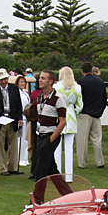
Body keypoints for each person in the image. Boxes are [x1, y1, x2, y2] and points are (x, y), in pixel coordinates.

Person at [30, 69, 68, 203]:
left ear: (50, 81)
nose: (40, 80)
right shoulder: (40, 97)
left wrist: (51, 139)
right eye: (40, 78)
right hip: (40, 136)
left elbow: (63, 122)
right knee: (51, 169)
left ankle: (37, 201)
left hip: (50, 137)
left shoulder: (58, 98)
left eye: (43, 78)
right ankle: (68, 195)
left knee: (40, 171)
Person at [53, 66, 82, 181]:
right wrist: (74, 112)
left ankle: (58, 174)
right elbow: (80, 105)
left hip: (59, 117)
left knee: (57, 147)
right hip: (71, 117)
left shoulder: (56, 87)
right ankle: (69, 176)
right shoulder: (77, 88)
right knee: (69, 147)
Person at [76, 61, 106, 169]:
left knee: (82, 141)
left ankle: (82, 163)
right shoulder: (100, 82)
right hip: (96, 114)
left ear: (82, 71)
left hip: (84, 114)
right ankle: (100, 161)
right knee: (97, 139)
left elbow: (78, 98)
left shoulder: (80, 82)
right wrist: (100, 110)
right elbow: (104, 99)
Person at [0, 69, 23, 176]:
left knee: (13, 144)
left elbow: (18, 104)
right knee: (0, 145)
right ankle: (3, 169)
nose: (3, 82)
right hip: (0, 120)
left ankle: (13, 167)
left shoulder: (14, 88)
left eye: (5, 79)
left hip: (12, 119)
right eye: (1, 80)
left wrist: (19, 117)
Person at [15, 74, 31, 167]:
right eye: (21, 82)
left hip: (26, 118)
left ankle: (25, 158)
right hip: (21, 118)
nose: (23, 83)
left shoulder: (25, 93)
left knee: (25, 139)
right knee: (20, 139)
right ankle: (19, 159)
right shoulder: (17, 93)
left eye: (24, 82)